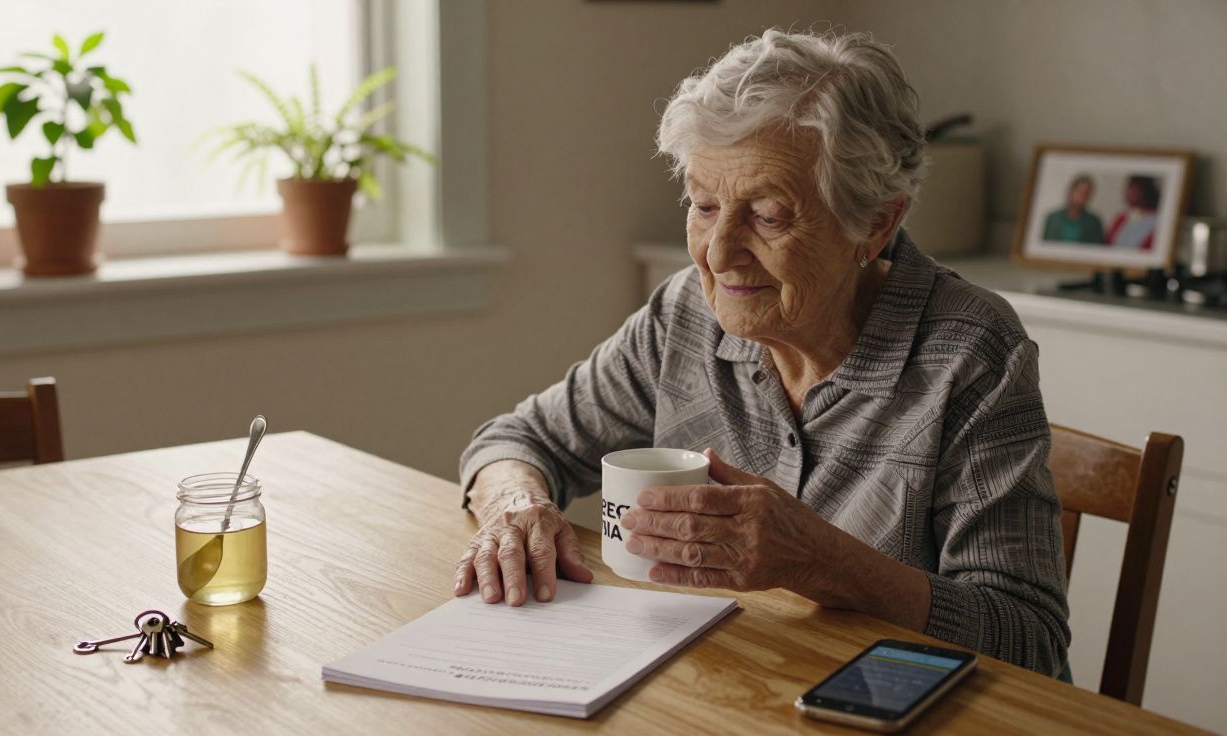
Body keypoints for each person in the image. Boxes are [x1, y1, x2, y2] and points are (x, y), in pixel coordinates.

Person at [453, 29, 1070, 678]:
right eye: (703, 205)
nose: (717, 254)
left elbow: (1028, 642)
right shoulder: (686, 314)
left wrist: (819, 559)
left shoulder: (969, 351)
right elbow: (517, 439)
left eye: (769, 216)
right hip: (725, 690)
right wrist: (515, 507)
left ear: (876, 223)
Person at [1042, 175, 1105, 243]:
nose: (1082, 197)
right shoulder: (1052, 219)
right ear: (1070, 192)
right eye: (1079, 192)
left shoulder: (1094, 223)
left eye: (1086, 193)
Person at [1106, 175, 1161, 250]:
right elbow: (1107, 244)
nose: (1130, 193)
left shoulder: (1157, 220)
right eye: (1129, 188)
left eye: (1136, 189)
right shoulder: (1121, 218)